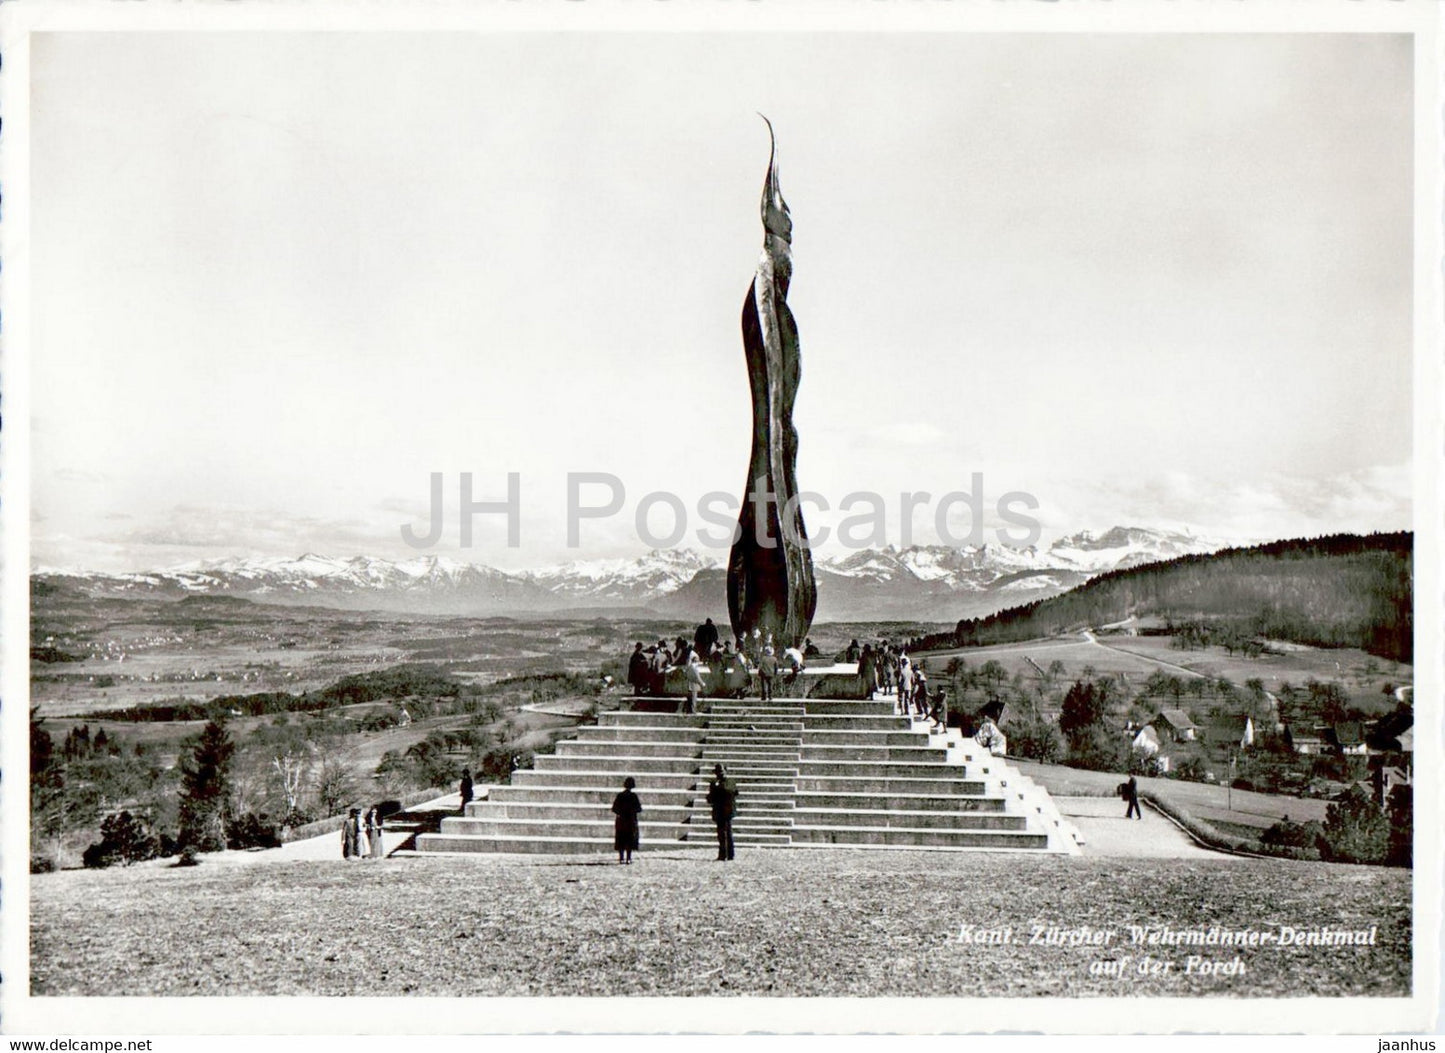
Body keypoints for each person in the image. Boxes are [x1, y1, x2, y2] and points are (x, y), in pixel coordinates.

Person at [707, 764, 737, 861]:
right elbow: (711, 797)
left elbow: (731, 792)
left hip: (727, 810)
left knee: (727, 833)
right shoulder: (714, 783)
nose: (720, 774)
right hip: (719, 811)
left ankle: (730, 854)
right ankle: (722, 854)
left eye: (722, 771)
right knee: (720, 834)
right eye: (718, 772)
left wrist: (718, 788)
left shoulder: (730, 782)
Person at [611, 776, 643, 864]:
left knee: (621, 838)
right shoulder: (633, 796)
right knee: (629, 839)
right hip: (631, 820)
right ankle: (628, 858)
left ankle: (621, 857)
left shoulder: (620, 795)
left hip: (621, 820)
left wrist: (621, 812)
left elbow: (614, 808)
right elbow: (639, 809)